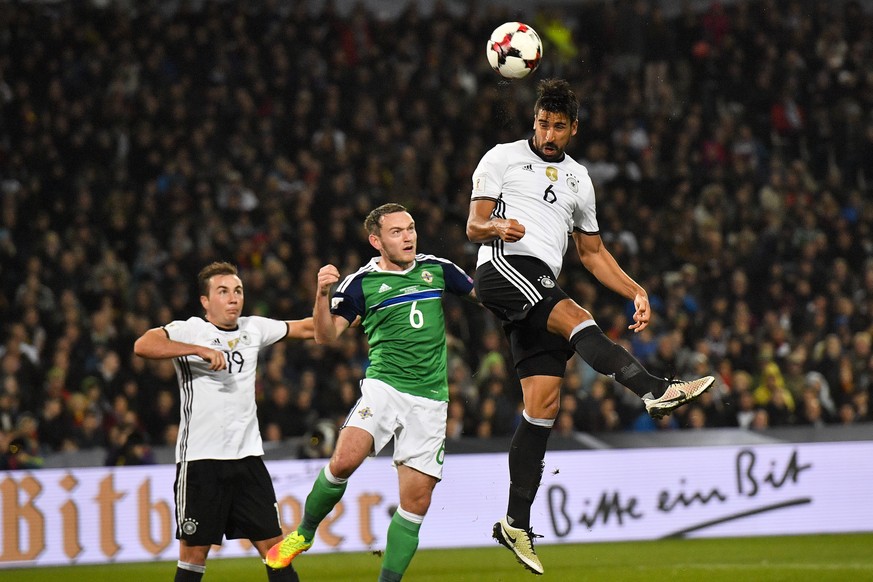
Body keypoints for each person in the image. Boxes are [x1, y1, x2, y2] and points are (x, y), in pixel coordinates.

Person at [466, 78, 714, 575]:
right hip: (503, 267)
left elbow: (593, 253)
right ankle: (653, 389)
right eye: (542, 122)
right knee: (578, 317)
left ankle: (515, 523)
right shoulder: (502, 158)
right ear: (533, 120)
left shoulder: (579, 179)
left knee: (543, 407)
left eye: (559, 126)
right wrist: (498, 226)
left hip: (537, 285)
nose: (549, 133)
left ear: (573, 128)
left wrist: (636, 290)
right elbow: (473, 225)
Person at [265, 203, 476, 581]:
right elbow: (326, 337)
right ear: (376, 241)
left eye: (411, 228)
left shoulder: (440, 270)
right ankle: (303, 533)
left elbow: (487, 297)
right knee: (344, 459)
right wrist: (320, 294)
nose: (408, 236)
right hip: (385, 387)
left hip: (429, 400)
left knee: (416, 505)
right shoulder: (359, 284)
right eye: (397, 232)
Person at [133, 261, 314, 582]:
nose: (233, 298)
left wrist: (347, 308)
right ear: (205, 301)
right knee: (193, 556)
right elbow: (143, 345)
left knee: (277, 551)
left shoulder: (253, 328)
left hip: (247, 460)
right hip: (201, 462)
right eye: (223, 291)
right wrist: (197, 350)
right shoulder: (190, 330)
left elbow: (307, 327)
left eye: (238, 291)